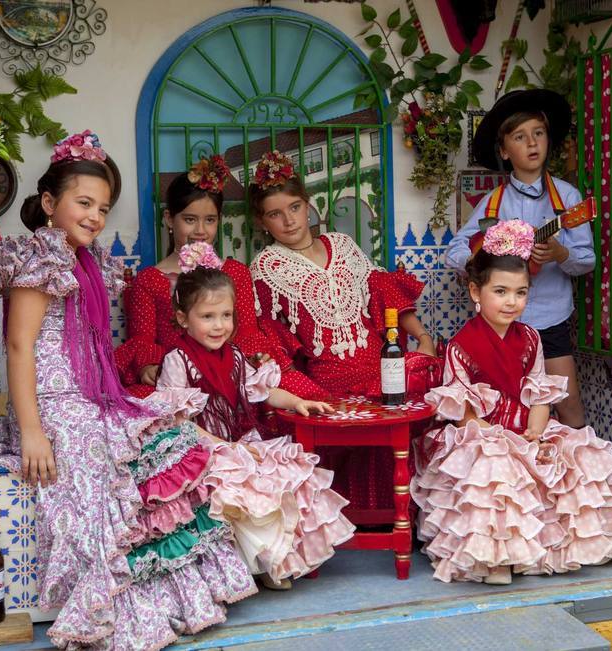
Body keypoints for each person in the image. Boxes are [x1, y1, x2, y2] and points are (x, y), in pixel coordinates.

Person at [0, 130, 256, 648]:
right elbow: (19, 349)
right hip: (53, 407)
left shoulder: (84, 262)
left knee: (170, 440)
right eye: (83, 203)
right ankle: (109, 601)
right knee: (112, 464)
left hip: (89, 399)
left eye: (103, 207)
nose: (94, 216)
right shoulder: (35, 263)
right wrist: (33, 432)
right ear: (48, 202)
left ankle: (176, 598)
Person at [412, 221, 612, 584]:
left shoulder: (532, 338)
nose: (511, 302)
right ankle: (496, 557)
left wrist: (535, 433)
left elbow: (539, 393)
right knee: (495, 466)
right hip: (481, 433)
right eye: (500, 291)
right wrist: (504, 441)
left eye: (520, 293)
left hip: (525, 426)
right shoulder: (461, 346)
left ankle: (568, 546)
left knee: (574, 449)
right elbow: (464, 413)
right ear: (476, 291)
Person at [155, 242, 354, 590]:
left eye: (226, 316)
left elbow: (259, 390)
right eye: (207, 317)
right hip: (199, 449)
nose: (219, 326)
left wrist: (297, 402)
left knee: (281, 474)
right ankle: (247, 566)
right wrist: (223, 447)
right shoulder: (178, 360)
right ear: (183, 319)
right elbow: (177, 422)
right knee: (238, 485)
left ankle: (272, 561)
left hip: (236, 442)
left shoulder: (233, 355)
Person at [248, 150, 439, 510]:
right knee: (342, 415)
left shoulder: (342, 245)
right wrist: (305, 391)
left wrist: (424, 338)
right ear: (262, 222)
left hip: (380, 363)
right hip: (329, 378)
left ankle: (403, 515)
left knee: (425, 378)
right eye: (275, 214)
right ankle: (354, 516)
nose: (288, 221)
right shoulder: (267, 267)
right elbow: (273, 341)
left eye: (294, 207)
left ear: (308, 206)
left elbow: (383, 292)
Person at [115, 155, 326, 400]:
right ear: (169, 219)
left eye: (210, 220)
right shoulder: (149, 280)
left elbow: (246, 332)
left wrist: (256, 357)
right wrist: (147, 367)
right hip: (180, 377)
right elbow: (142, 339)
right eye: (190, 219)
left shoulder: (235, 272)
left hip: (233, 373)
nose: (201, 230)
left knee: (299, 397)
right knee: (145, 410)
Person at [444, 89, 594, 429]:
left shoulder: (568, 199)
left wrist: (561, 254)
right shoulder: (492, 203)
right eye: (520, 136)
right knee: (505, 407)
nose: (532, 143)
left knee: (567, 404)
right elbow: (454, 254)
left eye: (538, 134)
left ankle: (578, 478)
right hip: (501, 325)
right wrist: (489, 255)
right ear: (504, 150)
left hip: (551, 318)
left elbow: (586, 260)